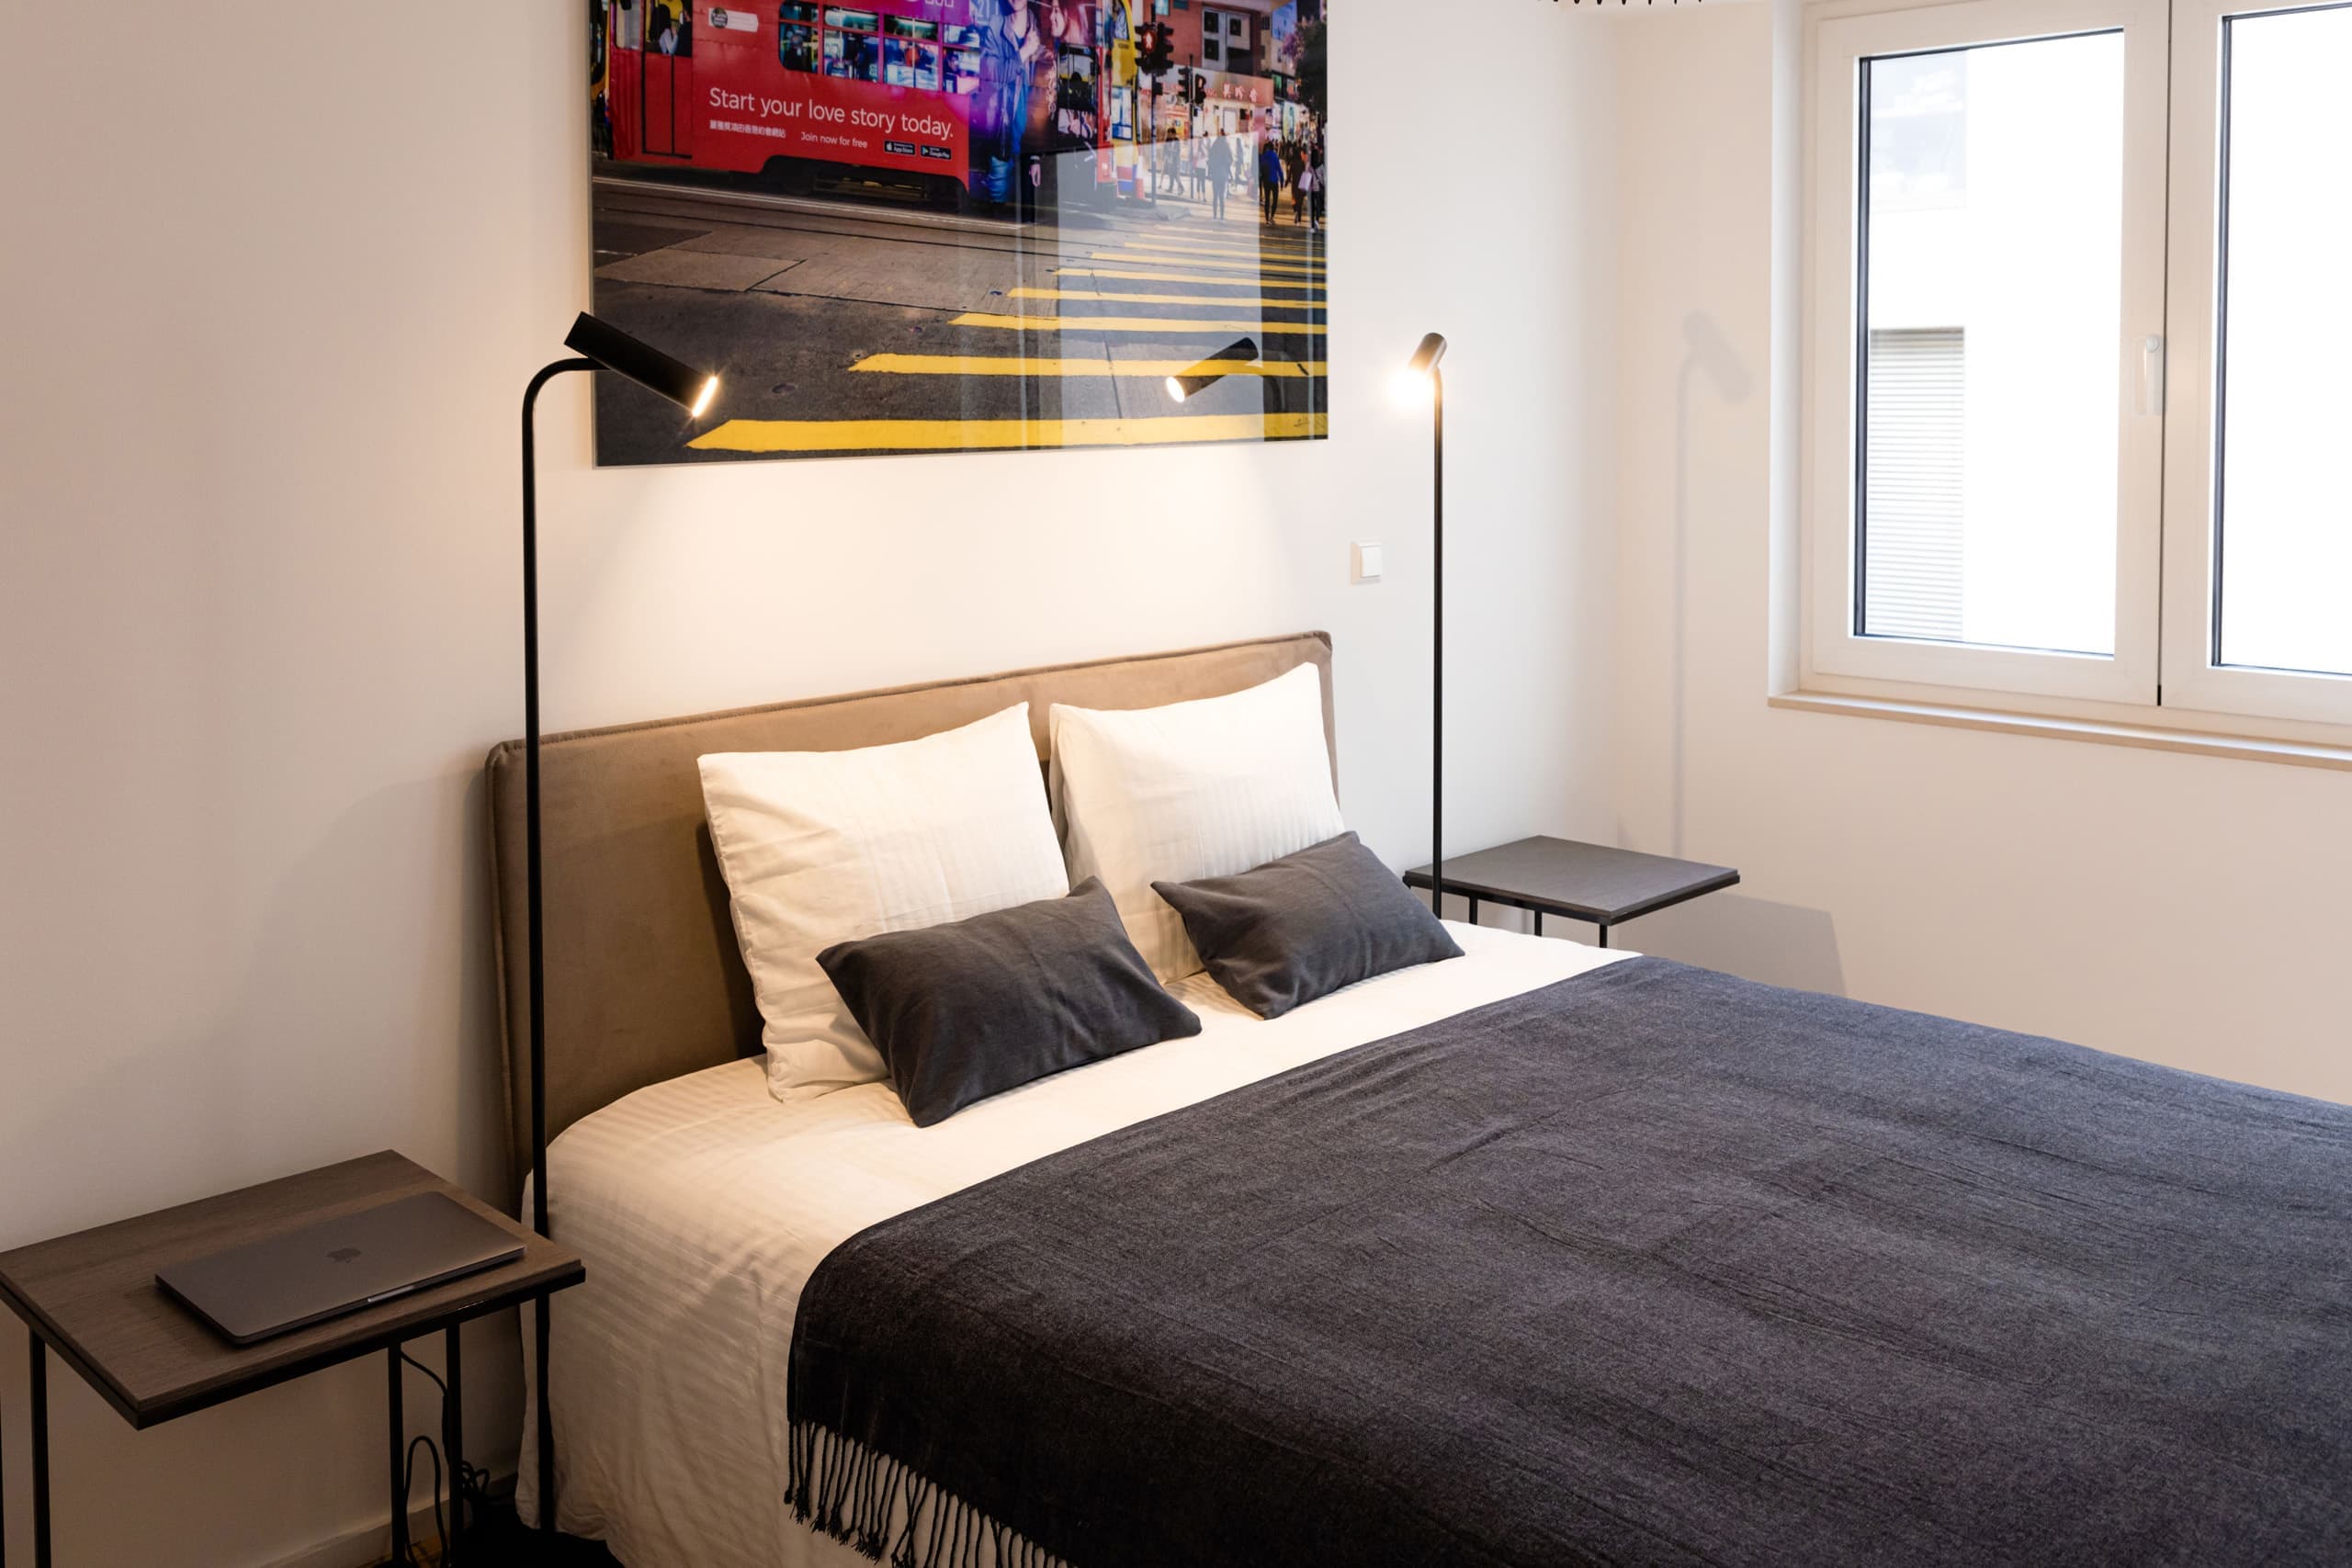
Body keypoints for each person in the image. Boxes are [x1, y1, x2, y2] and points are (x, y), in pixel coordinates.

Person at [1258, 137, 1285, 223]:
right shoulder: (1274, 156)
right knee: (1275, 200)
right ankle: (1271, 216)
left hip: (1266, 181)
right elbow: (1279, 169)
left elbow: (1260, 168)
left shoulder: (1263, 156)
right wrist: (1282, 181)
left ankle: (1266, 219)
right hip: (1274, 181)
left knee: (1267, 200)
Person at [1206, 130, 1232, 220]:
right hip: (1223, 174)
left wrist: (1209, 173)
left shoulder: (1214, 146)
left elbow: (1210, 160)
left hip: (1215, 174)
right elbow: (1230, 160)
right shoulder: (1226, 146)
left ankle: (1214, 216)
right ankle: (1222, 217)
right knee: (1221, 196)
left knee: (1215, 196)